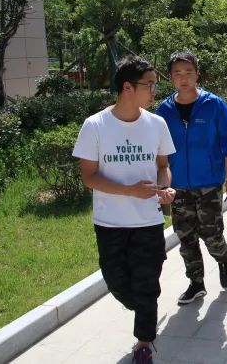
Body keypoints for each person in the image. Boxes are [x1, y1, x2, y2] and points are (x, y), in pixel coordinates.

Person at [72, 56, 176, 364]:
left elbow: (163, 166)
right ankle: (143, 307)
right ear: (128, 87)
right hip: (110, 223)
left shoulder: (157, 124)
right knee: (116, 282)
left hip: (148, 222)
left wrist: (164, 188)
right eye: (149, 84)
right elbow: (89, 177)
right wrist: (129, 190)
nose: (155, 90)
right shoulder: (95, 125)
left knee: (146, 284)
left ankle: (144, 343)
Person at [156, 51, 227, 305]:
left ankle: (222, 258)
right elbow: (158, 150)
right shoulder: (164, 110)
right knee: (186, 237)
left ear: (197, 75)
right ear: (170, 77)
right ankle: (196, 283)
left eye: (188, 72)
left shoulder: (214, 105)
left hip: (209, 183)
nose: (183, 78)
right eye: (178, 74)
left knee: (211, 233)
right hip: (177, 185)